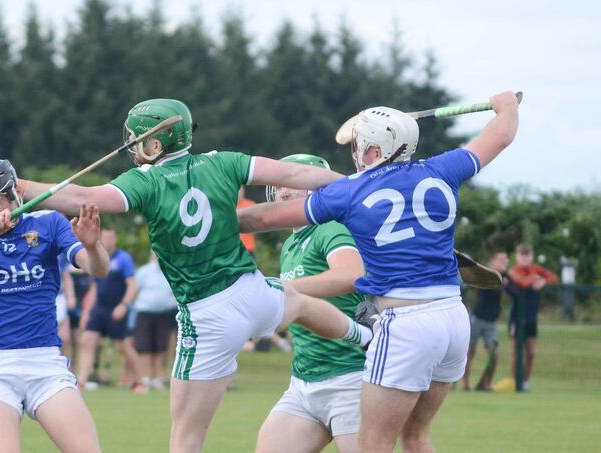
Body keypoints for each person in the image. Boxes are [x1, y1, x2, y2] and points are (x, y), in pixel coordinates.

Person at [17, 98, 375, 453]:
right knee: (297, 302)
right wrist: (358, 184)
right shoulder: (224, 161)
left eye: (137, 139)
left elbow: (84, 196)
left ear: (155, 144)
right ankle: (364, 335)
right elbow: (296, 173)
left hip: (207, 315)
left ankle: (364, 337)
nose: (132, 146)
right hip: (250, 290)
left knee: (186, 435)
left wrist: (20, 188)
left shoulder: (144, 181)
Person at [238, 91, 520, 452]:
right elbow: (501, 135)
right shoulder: (444, 168)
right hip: (453, 318)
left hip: (405, 322)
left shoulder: (350, 192)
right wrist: (506, 105)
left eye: (359, 147)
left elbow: (263, 217)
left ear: (374, 153)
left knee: (374, 445)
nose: (354, 155)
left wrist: (219, 222)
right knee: (416, 436)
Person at [0, 158, 108, 453]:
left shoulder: (48, 223)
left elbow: (98, 269)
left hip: (44, 363)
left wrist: (93, 245)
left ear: (12, 195)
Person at [255, 154, 366, 453]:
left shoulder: (330, 228)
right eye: (279, 185)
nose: (283, 191)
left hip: (351, 379)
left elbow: (350, 275)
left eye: (294, 184)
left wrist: (282, 288)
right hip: (304, 382)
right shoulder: (290, 243)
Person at [76, 227, 147, 393]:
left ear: (115, 240)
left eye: (111, 237)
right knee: (87, 340)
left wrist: (123, 305)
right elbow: (94, 287)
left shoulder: (124, 259)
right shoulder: (96, 258)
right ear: (100, 238)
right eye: (105, 237)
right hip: (99, 308)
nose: (108, 240)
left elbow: (132, 285)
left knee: (123, 346)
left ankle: (140, 381)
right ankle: (81, 383)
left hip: (116, 308)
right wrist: (87, 312)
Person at [463, 250, 516, 391]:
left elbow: (515, 292)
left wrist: (506, 283)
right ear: (492, 261)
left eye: (506, 259)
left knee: (494, 355)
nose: (505, 262)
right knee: (469, 353)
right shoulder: (485, 273)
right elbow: (492, 289)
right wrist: (503, 284)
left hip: (491, 321)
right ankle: (465, 384)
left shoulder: (505, 276)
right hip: (477, 318)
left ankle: (484, 384)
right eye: (501, 259)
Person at [508, 243, 558, 391]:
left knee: (530, 353)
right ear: (517, 257)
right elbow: (522, 283)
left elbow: (553, 278)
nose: (524, 259)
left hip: (531, 317)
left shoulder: (536, 270)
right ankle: (513, 382)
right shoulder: (513, 271)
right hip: (516, 317)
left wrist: (543, 280)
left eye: (527, 256)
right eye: (522, 256)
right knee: (517, 351)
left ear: (532, 256)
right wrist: (534, 279)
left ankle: (525, 381)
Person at [132, 251, 178, 390]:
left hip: (164, 313)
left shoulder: (171, 270)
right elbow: (135, 289)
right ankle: (145, 378)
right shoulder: (144, 271)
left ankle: (158, 378)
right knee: (144, 346)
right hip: (145, 312)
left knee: (161, 347)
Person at [237, 186, 258, 259]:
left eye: (240, 190)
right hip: (233, 249)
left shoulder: (251, 205)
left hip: (248, 248)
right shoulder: (228, 205)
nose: (238, 193)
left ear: (243, 191)